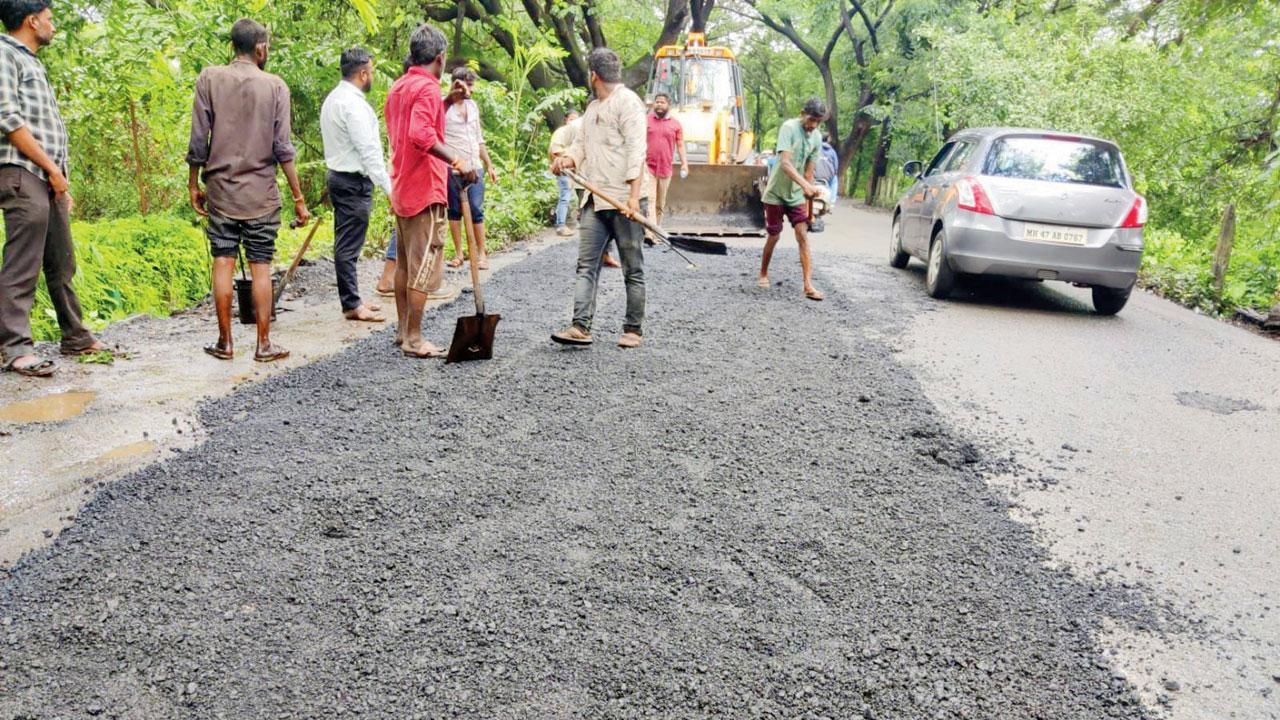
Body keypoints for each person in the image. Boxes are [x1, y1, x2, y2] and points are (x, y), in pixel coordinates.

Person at [187, 19, 309, 362]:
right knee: (260, 265)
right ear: (260, 48)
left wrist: (193, 183)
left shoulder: (209, 78)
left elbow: (199, 138)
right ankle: (263, 344)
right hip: (261, 194)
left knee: (222, 260)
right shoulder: (275, 86)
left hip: (221, 191)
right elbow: (283, 149)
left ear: (232, 47)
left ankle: (225, 342)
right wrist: (299, 199)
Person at [0, 0, 109, 377]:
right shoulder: (4, 54)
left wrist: (59, 177)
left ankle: (75, 336)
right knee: (23, 262)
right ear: (32, 20)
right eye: (50, 19)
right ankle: (15, 348)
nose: (54, 26)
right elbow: (7, 118)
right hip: (22, 170)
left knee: (62, 260)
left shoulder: (32, 61)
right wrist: (50, 168)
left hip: (47, 175)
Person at [384, 23, 476, 359]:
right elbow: (420, 133)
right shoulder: (424, 89)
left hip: (403, 185)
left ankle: (402, 330)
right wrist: (459, 160)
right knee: (423, 266)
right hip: (425, 188)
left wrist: (447, 100)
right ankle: (415, 338)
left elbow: (413, 120)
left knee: (406, 264)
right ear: (440, 58)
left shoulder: (400, 87)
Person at [549, 47, 647, 349]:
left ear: (594, 75)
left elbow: (637, 152)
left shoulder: (628, 103)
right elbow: (581, 146)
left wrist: (633, 198)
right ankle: (581, 326)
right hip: (594, 197)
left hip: (624, 199)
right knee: (586, 265)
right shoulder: (591, 109)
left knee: (632, 267)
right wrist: (567, 159)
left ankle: (633, 329)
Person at [320, 46, 390, 323]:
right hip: (352, 181)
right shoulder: (353, 105)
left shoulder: (334, 99)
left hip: (339, 177)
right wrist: (389, 188)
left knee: (346, 241)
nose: (371, 76)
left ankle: (353, 298)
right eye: (371, 72)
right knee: (348, 245)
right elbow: (369, 151)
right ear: (362, 73)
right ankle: (351, 304)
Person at [757, 97, 826, 301]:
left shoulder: (817, 138)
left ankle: (808, 285)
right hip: (776, 192)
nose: (813, 125)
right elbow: (785, 164)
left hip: (796, 194)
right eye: (811, 119)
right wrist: (805, 185)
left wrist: (810, 195)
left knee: (802, 235)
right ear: (802, 113)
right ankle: (763, 273)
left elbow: (809, 172)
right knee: (774, 235)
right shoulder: (789, 128)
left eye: (818, 122)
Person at [442, 66, 496, 271]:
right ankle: (458, 253)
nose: (469, 91)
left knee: (476, 209)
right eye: (466, 86)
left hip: (475, 165)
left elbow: (478, 138)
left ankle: (481, 253)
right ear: (456, 85)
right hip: (453, 167)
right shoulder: (444, 108)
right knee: (454, 211)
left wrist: (489, 165)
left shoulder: (473, 107)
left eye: (471, 86)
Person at [644, 92, 687, 238]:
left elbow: (680, 146)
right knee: (650, 200)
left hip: (665, 169)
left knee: (659, 204)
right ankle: (649, 234)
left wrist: (684, 164)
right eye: (657, 102)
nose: (659, 104)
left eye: (662, 102)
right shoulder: (646, 120)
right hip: (648, 167)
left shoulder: (676, 125)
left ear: (668, 105)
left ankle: (656, 231)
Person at [548, 109, 581, 238]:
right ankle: (561, 225)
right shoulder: (561, 132)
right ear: (566, 120)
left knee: (574, 196)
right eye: (571, 119)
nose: (574, 122)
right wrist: (570, 157)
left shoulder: (577, 132)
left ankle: (572, 220)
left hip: (574, 169)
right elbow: (554, 150)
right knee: (565, 196)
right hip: (563, 169)